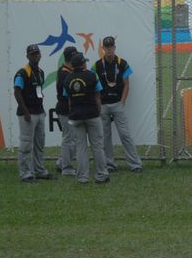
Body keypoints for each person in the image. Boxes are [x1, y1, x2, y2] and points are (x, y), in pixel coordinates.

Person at [93, 36, 142, 173]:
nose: (109, 50)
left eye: (111, 47)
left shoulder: (122, 63)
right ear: (103, 48)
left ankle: (135, 164)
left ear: (115, 47)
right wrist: (98, 104)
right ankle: (109, 164)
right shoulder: (96, 65)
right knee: (105, 136)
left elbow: (126, 84)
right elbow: (94, 87)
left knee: (125, 135)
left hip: (117, 104)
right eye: (106, 47)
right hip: (103, 105)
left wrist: (122, 101)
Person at [64, 52, 110, 184]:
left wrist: (73, 112)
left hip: (76, 116)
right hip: (92, 115)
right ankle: (101, 175)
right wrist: (98, 112)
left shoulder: (68, 78)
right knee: (97, 146)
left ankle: (82, 177)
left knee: (81, 148)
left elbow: (69, 100)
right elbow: (97, 97)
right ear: (83, 63)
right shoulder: (92, 75)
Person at [13, 44, 53, 183]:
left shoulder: (40, 72)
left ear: (40, 55)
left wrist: (41, 111)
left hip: (39, 112)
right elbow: (17, 92)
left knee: (39, 143)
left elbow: (38, 91)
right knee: (26, 144)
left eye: (37, 53)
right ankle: (25, 173)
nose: (35, 56)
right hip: (27, 114)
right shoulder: (22, 72)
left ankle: (39, 170)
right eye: (32, 54)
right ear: (27, 56)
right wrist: (25, 112)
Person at [55, 46, 77, 176]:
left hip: (68, 110)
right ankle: (66, 168)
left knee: (71, 139)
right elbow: (65, 95)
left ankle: (61, 162)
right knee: (68, 139)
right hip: (65, 110)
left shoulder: (66, 71)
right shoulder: (64, 73)